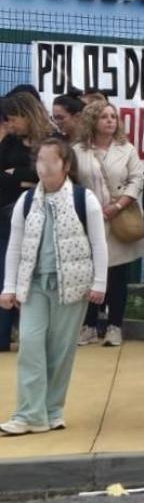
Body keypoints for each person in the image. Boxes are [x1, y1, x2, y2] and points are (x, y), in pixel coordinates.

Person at [0, 139, 107, 435]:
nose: (44, 168)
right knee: (31, 346)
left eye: (51, 162)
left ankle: (52, 410)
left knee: (60, 351)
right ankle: (28, 414)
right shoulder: (26, 201)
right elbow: (15, 247)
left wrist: (99, 283)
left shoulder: (84, 199)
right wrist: (9, 287)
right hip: (34, 286)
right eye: (40, 162)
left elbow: (99, 244)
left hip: (72, 287)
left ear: (66, 165)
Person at [71, 100, 144, 348]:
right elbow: (72, 182)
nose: (111, 121)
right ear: (93, 120)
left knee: (117, 275)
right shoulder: (78, 150)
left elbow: (137, 179)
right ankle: (89, 325)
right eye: (104, 116)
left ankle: (115, 326)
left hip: (118, 218)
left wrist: (119, 205)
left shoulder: (127, 149)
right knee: (90, 273)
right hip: (89, 219)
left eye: (113, 116)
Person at [0, 92, 50, 351]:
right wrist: (24, 180)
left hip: (41, 216)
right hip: (9, 213)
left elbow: (48, 175)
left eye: (13, 118)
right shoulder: (10, 142)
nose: (10, 124)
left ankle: (33, 332)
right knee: (6, 272)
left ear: (26, 114)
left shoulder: (51, 141)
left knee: (36, 277)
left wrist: (16, 175)